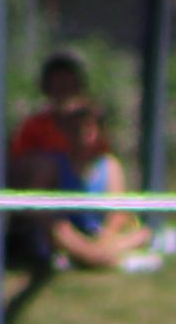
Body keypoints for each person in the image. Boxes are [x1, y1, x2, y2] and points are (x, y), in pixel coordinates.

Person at [47, 103, 159, 273]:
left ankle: (88, 257)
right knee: (59, 232)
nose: (83, 132)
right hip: (74, 232)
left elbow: (118, 212)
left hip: (103, 233)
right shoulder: (57, 165)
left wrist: (105, 237)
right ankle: (106, 258)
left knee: (143, 234)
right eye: (76, 128)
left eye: (89, 127)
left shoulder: (109, 165)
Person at [12, 51, 106, 187]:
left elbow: (102, 161)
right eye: (58, 85)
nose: (63, 91)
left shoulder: (91, 122)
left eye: (68, 85)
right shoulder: (34, 126)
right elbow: (18, 163)